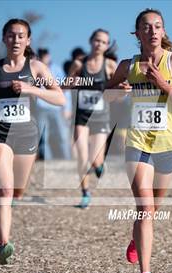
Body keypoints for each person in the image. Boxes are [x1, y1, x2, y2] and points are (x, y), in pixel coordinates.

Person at [105, 8, 172, 273]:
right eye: (146, 27)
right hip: (137, 143)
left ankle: (136, 239)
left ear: (164, 32)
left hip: (167, 144)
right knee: (145, 208)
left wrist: (163, 85)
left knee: (153, 209)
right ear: (137, 34)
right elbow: (108, 96)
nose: (153, 31)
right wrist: (117, 91)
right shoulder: (127, 65)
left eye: (158, 26)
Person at [0, 19, 65, 265]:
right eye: (11, 35)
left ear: (28, 40)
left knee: (17, 190)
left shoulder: (36, 67)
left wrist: (31, 89)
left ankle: (11, 205)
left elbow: (59, 98)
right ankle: (3, 244)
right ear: (4, 38)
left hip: (26, 135)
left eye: (21, 36)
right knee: (4, 189)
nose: (15, 40)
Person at [68, 29, 117, 209]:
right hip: (82, 117)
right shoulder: (79, 64)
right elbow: (65, 85)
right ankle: (85, 193)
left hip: (101, 117)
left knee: (95, 159)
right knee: (82, 157)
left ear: (107, 46)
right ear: (91, 41)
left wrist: (121, 90)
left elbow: (118, 88)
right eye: (97, 40)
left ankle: (99, 166)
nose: (99, 44)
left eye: (103, 42)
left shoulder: (110, 65)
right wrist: (72, 82)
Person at [36, 48, 72, 160]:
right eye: (41, 55)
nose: (44, 57)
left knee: (62, 135)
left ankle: (67, 160)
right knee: (43, 137)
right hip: (40, 108)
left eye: (45, 55)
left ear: (49, 55)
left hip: (56, 108)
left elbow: (64, 90)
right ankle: (48, 162)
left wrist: (67, 107)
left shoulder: (57, 70)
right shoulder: (34, 68)